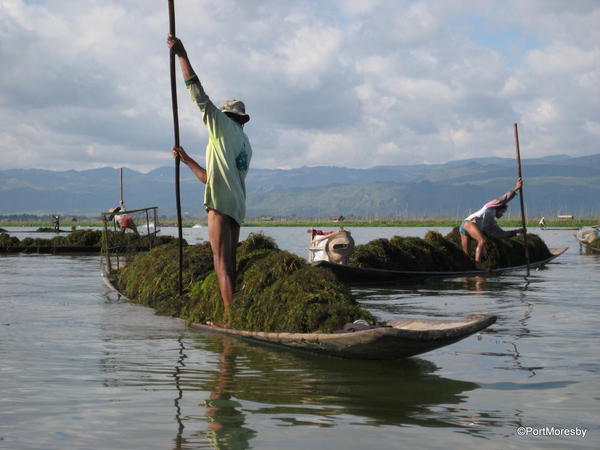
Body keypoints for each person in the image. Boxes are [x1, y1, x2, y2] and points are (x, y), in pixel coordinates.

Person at [168, 34, 252, 314]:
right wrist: (188, 159)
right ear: (243, 120)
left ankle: (230, 318)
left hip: (219, 204)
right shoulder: (245, 143)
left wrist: (182, 54)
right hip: (237, 206)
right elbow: (211, 178)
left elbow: (197, 93)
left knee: (220, 263)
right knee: (231, 263)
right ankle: (235, 307)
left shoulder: (220, 126)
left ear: (227, 116)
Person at [459, 178, 525, 264]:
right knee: (482, 240)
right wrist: (516, 188)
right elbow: (504, 198)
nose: (502, 215)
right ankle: (477, 264)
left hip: (466, 229)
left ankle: (469, 268)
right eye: (503, 212)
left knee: (466, 257)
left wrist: (517, 231)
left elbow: (501, 234)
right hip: (467, 224)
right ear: (500, 208)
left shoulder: (491, 223)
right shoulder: (490, 207)